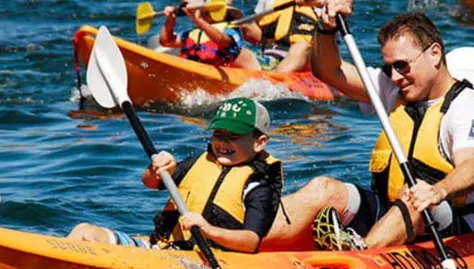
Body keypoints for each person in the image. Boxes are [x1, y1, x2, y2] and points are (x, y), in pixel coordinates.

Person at [261, 5, 474, 253]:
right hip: (390, 209)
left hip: (452, 221)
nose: (395, 76)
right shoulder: (394, 88)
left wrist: (436, 191)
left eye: (402, 65)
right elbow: (329, 71)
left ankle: (360, 254)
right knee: (323, 189)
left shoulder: (466, 106)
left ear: (435, 54)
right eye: (389, 67)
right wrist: (326, 29)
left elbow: (472, 169)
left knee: (413, 198)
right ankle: (247, 238)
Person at [69, 98, 284, 254]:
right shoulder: (201, 162)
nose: (222, 143)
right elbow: (150, 183)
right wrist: (160, 169)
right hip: (162, 248)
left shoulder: (258, 184)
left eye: (233, 137)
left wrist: (208, 230)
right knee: (84, 231)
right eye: (219, 134)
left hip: (206, 262)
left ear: (259, 142)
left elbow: (250, 241)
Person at [158, 1, 260, 69]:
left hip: (219, 72)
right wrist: (171, 19)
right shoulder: (194, 32)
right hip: (194, 69)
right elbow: (166, 41)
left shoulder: (230, 30)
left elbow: (221, 40)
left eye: (205, 13)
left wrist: (199, 20)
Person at [238, 0, 319, 72]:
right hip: (271, 54)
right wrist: (242, 28)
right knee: (234, 47)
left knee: (302, 46)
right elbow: (256, 35)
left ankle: (273, 81)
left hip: (307, 58)